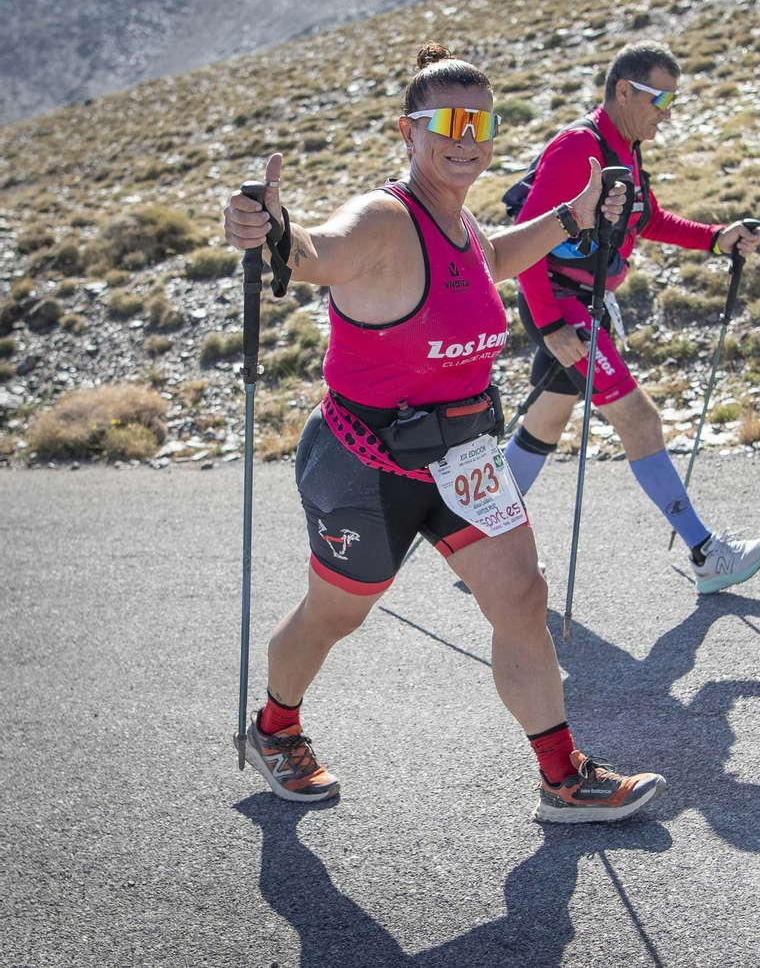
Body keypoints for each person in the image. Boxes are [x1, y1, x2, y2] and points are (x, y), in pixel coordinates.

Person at [222, 43, 662, 823]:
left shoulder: (457, 223)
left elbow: (496, 256)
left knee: (522, 597)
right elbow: (318, 252)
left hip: (463, 456)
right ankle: (275, 727)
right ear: (409, 131)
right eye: (450, 123)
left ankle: (562, 778)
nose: (468, 139)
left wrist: (572, 215)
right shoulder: (384, 219)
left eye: (482, 124)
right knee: (336, 614)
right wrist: (273, 229)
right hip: (365, 464)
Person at [504, 41, 760, 596]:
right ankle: (706, 554)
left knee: (544, 424)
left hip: (583, 304)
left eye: (673, 101)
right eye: (661, 99)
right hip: (563, 307)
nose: (667, 115)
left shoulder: (624, 146)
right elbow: (524, 242)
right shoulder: (580, 147)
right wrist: (553, 327)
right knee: (641, 421)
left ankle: (479, 537)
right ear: (624, 91)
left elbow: (645, 218)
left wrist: (716, 240)